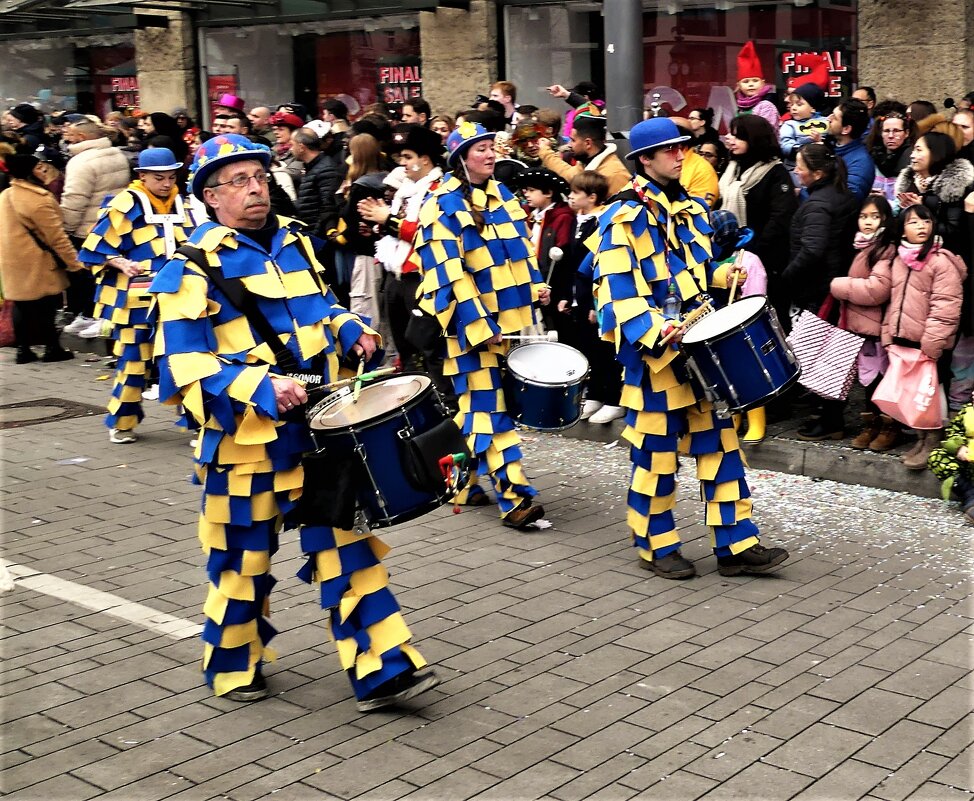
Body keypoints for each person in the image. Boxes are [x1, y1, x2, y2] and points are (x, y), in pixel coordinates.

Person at [148, 133, 439, 710]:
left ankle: (382, 669)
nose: (255, 188)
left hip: (320, 429)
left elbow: (316, 309)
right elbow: (182, 367)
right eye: (238, 181)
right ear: (210, 196)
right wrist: (257, 384)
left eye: (259, 176)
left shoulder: (295, 242)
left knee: (347, 546)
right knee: (242, 562)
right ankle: (234, 666)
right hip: (244, 446)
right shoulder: (189, 268)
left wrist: (347, 327)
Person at [585, 117, 789, 579]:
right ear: (644, 159)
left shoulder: (694, 210)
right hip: (657, 362)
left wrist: (722, 276)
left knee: (721, 450)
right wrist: (660, 329)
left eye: (683, 148)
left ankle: (736, 545)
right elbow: (616, 293)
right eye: (671, 150)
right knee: (656, 458)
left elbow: (694, 272)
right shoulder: (623, 217)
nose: (682, 156)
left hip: (701, 351)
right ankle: (656, 546)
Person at [411, 121, 551, 529]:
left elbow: (520, 252)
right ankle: (515, 498)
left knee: (479, 407)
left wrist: (536, 286)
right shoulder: (441, 203)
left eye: (492, 146)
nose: (490, 154)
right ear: (460, 157)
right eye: (480, 149)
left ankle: (460, 482)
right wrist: (477, 321)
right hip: (468, 327)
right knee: (490, 408)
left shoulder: (503, 195)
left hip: (508, 323)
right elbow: (448, 273)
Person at [829, 203, 967, 469]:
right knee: (913, 395)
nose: (921, 227)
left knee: (930, 395)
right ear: (902, 228)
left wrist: (932, 342)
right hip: (904, 339)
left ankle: (932, 441)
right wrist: (889, 335)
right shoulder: (901, 259)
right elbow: (893, 301)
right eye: (913, 222)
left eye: (925, 221)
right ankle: (921, 439)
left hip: (928, 343)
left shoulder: (940, 261)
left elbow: (946, 306)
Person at [78, 148, 196, 444]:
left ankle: (198, 422)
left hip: (179, 294)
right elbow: (93, 249)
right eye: (160, 178)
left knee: (187, 359)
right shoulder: (124, 203)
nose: (167, 183)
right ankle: (121, 422)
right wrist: (119, 261)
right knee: (133, 362)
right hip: (136, 299)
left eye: (171, 177)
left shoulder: (185, 203)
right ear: (141, 176)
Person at [784, 143, 861, 441]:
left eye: (800, 166)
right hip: (834, 282)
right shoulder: (841, 194)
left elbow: (812, 249)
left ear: (816, 173)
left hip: (820, 288)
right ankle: (827, 416)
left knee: (821, 353)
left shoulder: (818, 204)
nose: (796, 171)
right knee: (831, 352)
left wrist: (786, 278)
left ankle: (829, 419)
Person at [358, 125, 445, 376]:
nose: (402, 163)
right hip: (396, 276)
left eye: (408, 157)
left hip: (421, 278)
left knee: (427, 347)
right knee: (404, 348)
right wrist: (377, 227)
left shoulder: (439, 190)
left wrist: (388, 220)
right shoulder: (407, 190)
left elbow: (429, 234)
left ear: (425, 159)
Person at [829, 196, 899, 451]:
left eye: (874, 216)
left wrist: (839, 286)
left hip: (877, 327)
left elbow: (877, 289)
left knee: (881, 378)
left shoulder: (884, 248)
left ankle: (889, 427)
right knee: (868, 379)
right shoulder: (862, 246)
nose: (868, 222)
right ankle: (871, 425)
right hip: (860, 326)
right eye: (864, 216)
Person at [0, 152, 82, 363]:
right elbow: (57, 237)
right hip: (39, 261)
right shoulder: (38, 200)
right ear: (29, 172)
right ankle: (51, 348)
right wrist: (75, 264)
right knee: (47, 305)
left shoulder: (6, 195)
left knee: (21, 304)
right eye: (38, 168)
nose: (44, 170)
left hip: (12, 259)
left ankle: (23, 350)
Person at [718, 114, 797, 330]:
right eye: (730, 135)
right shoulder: (731, 168)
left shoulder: (775, 173)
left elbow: (780, 217)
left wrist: (753, 248)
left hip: (766, 259)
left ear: (754, 139)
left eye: (738, 136)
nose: (731, 140)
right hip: (730, 257)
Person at [59, 120, 132, 336]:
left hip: (87, 226)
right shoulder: (116, 153)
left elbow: (75, 198)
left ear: (81, 137)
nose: (66, 138)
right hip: (115, 222)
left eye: (70, 134)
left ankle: (93, 316)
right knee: (109, 272)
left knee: (87, 275)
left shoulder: (80, 162)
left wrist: (67, 227)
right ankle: (98, 316)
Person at [708, 209, 769, 444]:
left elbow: (756, 295)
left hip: (741, 325)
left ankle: (756, 420)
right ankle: (734, 417)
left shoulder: (748, 259)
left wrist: (742, 316)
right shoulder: (710, 260)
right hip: (717, 323)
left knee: (750, 374)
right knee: (726, 375)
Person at [567, 171, 622, 424]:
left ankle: (613, 398)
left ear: (592, 197)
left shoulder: (601, 222)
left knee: (604, 350)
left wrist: (591, 302)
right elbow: (572, 262)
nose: (570, 197)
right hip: (579, 296)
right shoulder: (576, 221)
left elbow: (595, 265)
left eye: (576, 193)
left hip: (596, 297)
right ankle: (594, 394)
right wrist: (568, 295)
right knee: (588, 348)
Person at [895, 131, 974, 261]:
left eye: (919, 150)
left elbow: (955, 233)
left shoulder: (954, 187)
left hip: (944, 259)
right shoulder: (909, 183)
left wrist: (922, 211)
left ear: (935, 153)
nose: (912, 155)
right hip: (908, 255)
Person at [537, 108, 631, 198]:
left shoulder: (614, 175)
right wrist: (545, 151)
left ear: (588, 143)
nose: (569, 145)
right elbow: (568, 173)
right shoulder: (585, 162)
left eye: (573, 140)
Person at [291, 126, 345, 239]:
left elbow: (327, 207)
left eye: (292, 145)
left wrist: (314, 237)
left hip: (319, 239)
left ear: (301, 147)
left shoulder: (326, 170)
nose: (290, 149)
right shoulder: (311, 168)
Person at [927, 397, 974, 524]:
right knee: (937, 456)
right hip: (968, 461)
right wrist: (959, 446)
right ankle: (969, 495)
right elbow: (953, 432)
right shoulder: (967, 412)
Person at [826, 98, 875, 202]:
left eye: (834, 117)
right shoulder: (830, 147)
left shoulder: (861, 162)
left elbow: (849, 197)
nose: (828, 119)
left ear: (846, 129)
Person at [779, 83, 828, 183]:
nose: (793, 108)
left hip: (819, 169)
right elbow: (785, 145)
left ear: (813, 108)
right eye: (792, 104)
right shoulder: (789, 125)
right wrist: (803, 148)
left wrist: (821, 142)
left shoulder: (825, 122)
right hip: (795, 169)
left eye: (799, 104)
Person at [867, 104, 912, 202]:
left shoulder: (912, 159)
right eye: (886, 131)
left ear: (906, 133)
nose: (891, 135)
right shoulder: (872, 157)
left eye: (896, 131)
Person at [733, 41, 780, 130]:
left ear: (763, 82)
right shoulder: (741, 108)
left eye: (755, 81)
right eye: (746, 82)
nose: (751, 84)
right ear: (739, 85)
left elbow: (766, 133)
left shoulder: (766, 106)